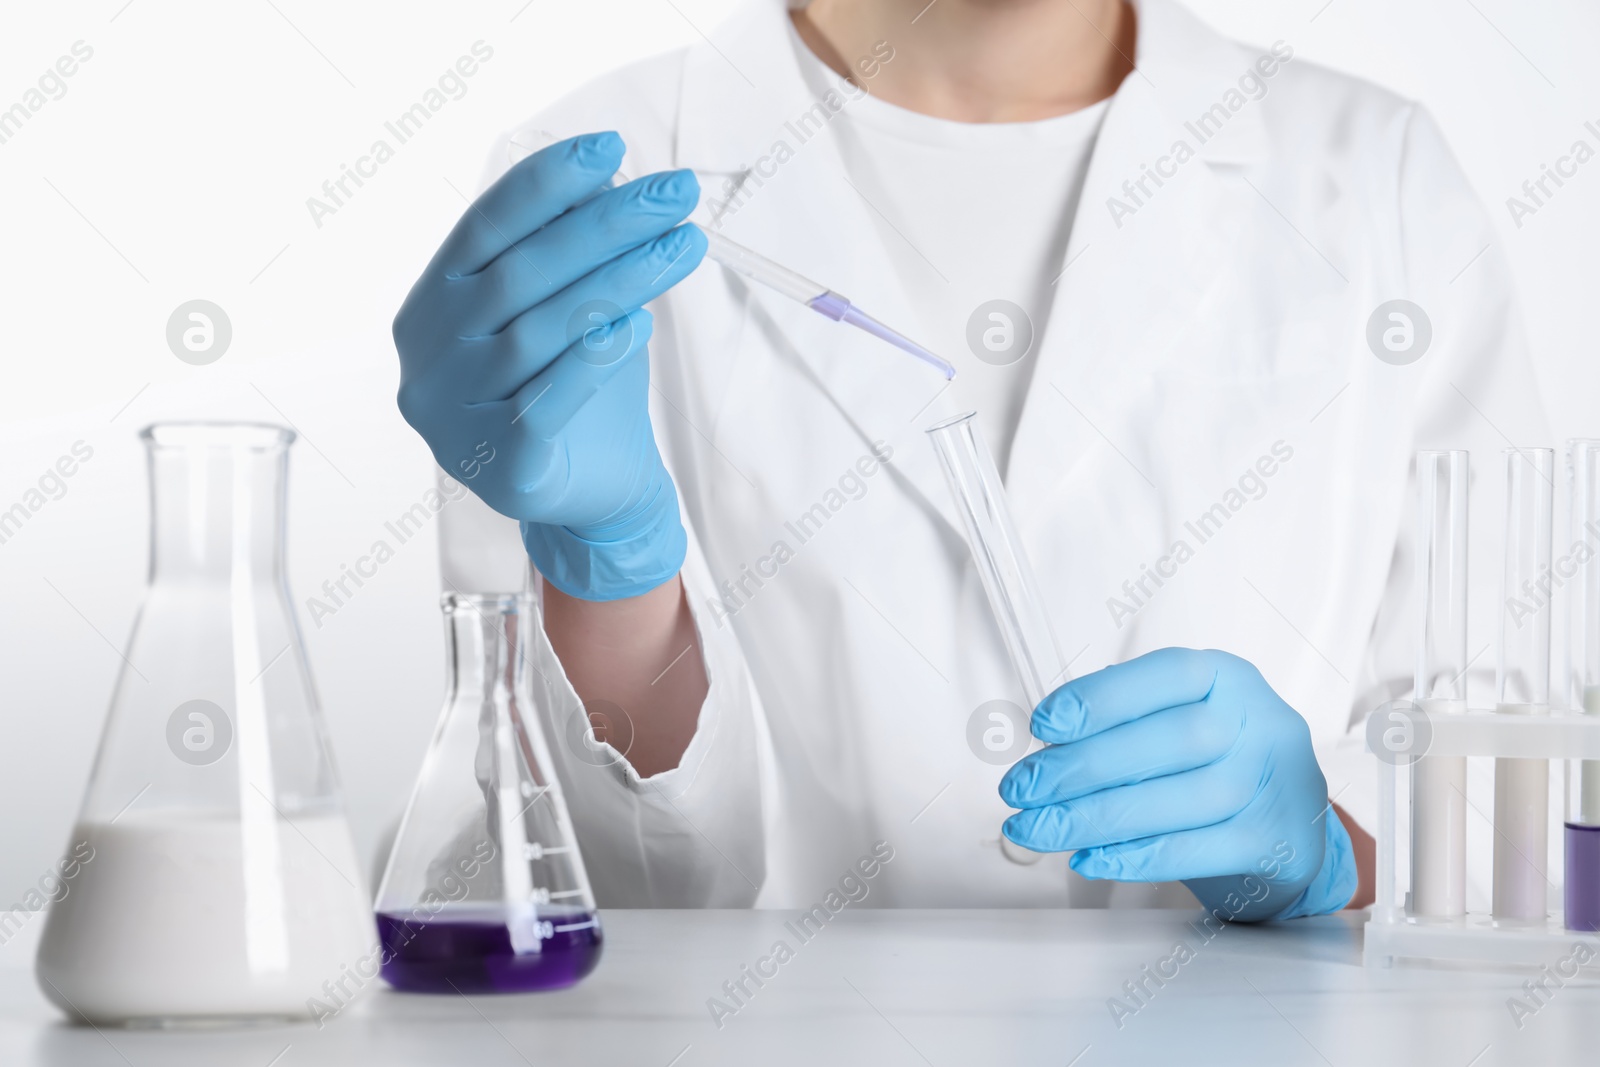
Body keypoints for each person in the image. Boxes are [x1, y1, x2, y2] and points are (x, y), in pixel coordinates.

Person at [392, 0, 1547, 917]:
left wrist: (1326, 850)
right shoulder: (587, 197)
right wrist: (614, 569)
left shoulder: (1377, 178)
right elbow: (578, 889)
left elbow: (1519, 799)